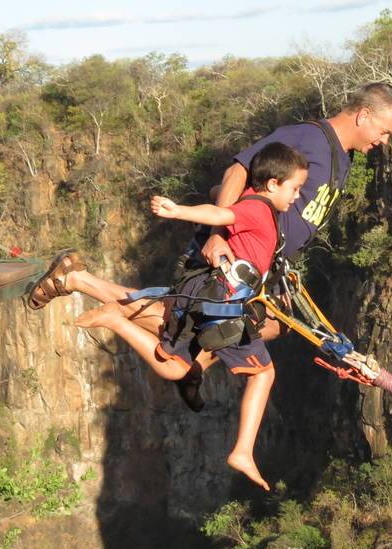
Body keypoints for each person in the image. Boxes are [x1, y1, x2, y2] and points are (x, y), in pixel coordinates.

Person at [27, 83, 392, 408]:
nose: (383, 141)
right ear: (363, 115)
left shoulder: (344, 157)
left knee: (270, 326)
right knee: (179, 318)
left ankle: (191, 364)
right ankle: (79, 282)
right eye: (384, 131)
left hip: (262, 259)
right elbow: (238, 170)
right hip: (235, 249)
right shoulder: (307, 137)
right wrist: (218, 235)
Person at [69, 142, 309, 491]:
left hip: (208, 298)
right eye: (295, 188)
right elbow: (221, 214)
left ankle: (115, 319)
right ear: (272, 184)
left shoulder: (258, 205)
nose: (297, 196)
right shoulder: (257, 210)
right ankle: (242, 450)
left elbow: (221, 197)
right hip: (222, 308)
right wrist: (177, 210)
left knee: (176, 368)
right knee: (264, 373)